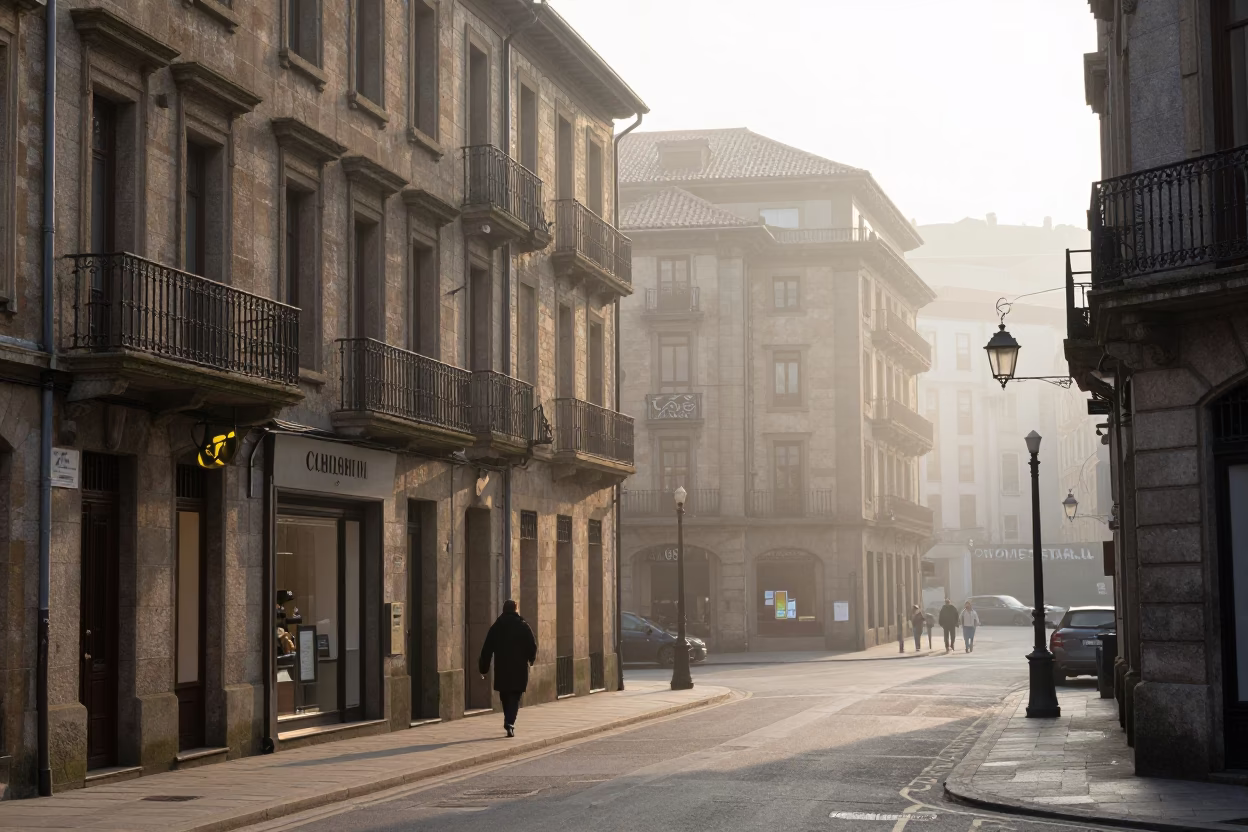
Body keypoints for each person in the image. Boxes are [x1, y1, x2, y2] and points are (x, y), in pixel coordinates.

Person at [478, 599, 537, 737]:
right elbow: (532, 645)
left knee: (504, 695)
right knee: (515, 696)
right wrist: (531, 658)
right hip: (519, 669)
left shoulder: (497, 626)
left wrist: (483, 667)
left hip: (502, 668)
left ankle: (508, 719)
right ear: (516, 609)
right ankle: (510, 721)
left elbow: (487, 649)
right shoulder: (523, 626)